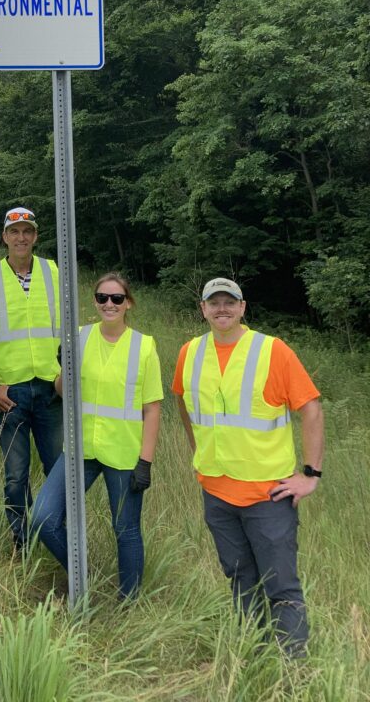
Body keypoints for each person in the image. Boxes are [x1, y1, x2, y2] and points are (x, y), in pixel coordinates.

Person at [173, 277, 324, 654]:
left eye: (230, 302)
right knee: (240, 578)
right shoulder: (190, 352)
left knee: (281, 585)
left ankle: (293, 671)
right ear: (203, 309)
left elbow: (311, 408)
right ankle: (254, 656)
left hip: (267, 495)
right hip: (217, 493)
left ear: (242, 308)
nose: (221, 308)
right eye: (214, 302)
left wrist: (311, 474)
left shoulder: (272, 351)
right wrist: (200, 451)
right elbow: (183, 402)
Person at [31, 273, 162, 597]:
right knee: (43, 517)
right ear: (95, 301)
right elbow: (62, 391)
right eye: (103, 297)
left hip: (123, 453)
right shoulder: (80, 337)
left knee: (126, 529)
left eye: (117, 298)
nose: (109, 304)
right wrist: (64, 369)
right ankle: (82, 575)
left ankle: (128, 602)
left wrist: (145, 461)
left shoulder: (144, 347)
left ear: (128, 303)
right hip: (81, 449)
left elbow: (152, 409)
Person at [0, 206, 63, 551]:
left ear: (35, 236)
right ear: (5, 237)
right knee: (15, 475)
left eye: (27, 231)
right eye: (15, 232)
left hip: (51, 390)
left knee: (58, 469)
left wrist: (65, 378)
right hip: (8, 393)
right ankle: (21, 540)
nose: (21, 237)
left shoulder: (56, 272)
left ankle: (57, 533)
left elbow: (70, 330)